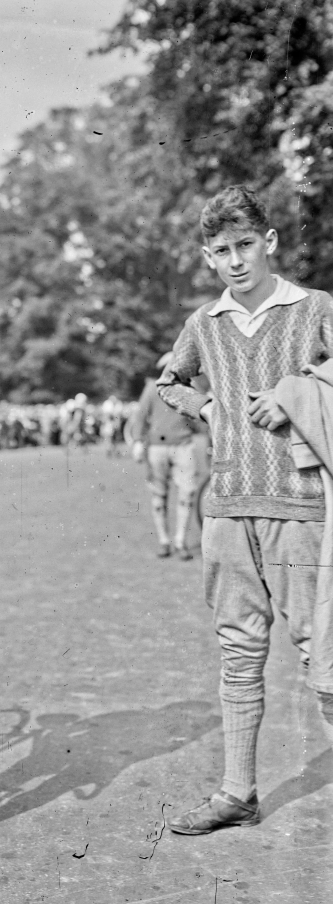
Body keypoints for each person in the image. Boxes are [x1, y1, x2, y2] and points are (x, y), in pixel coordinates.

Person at [157, 184, 333, 835]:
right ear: (207, 255)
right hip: (227, 506)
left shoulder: (313, 307)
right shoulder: (203, 324)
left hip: (303, 504)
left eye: (244, 245)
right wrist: (203, 407)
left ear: (269, 242)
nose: (234, 260)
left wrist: (294, 393)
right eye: (220, 250)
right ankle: (237, 792)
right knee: (237, 649)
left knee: (323, 654)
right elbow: (167, 381)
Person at [130, 352, 201, 560]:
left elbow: (199, 417)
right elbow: (140, 417)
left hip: (184, 446)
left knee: (187, 493)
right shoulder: (152, 389)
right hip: (157, 447)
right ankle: (164, 540)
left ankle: (180, 541)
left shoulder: (189, 389)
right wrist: (137, 441)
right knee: (159, 496)